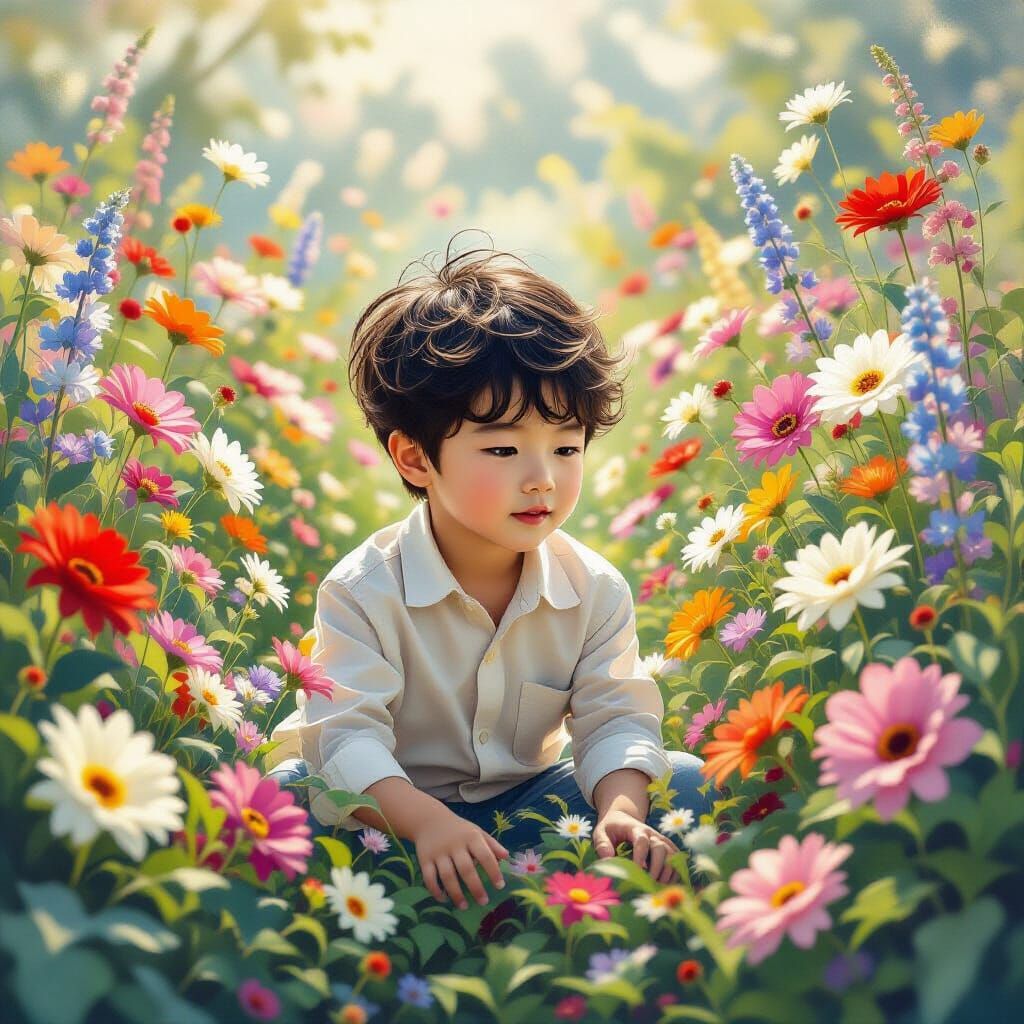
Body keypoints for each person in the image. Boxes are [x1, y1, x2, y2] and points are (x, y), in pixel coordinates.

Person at [266, 239, 712, 914]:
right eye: (503, 448)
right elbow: (345, 737)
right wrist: (426, 823)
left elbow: (614, 718)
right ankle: (456, 910)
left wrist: (620, 811)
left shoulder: (592, 588)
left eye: (566, 447)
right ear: (415, 458)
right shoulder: (362, 590)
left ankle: (525, 902)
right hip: (394, 823)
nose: (542, 478)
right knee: (292, 792)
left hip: (531, 810)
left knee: (684, 782)